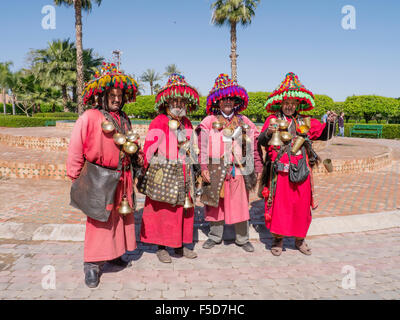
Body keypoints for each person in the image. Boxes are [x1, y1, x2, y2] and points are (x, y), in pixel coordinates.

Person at [67, 62, 142, 288]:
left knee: (119, 218)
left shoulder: (124, 119)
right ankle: (92, 264)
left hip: (122, 178)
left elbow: (130, 143)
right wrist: (76, 176)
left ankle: (115, 253)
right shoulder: (90, 117)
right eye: (112, 94)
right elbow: (75, 147)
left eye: (120, 95)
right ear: (102, 95)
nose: (117, 99)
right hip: (98, 177)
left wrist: (138, 154)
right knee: (99, 220)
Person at [258, 72, 336, 256]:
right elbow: (261, 140)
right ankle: (278, 239)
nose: (289, 107)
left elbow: (325, 133)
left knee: (301, 206)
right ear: (281, 103)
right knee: (280, 207)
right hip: (279, 173)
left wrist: (331, 122)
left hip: (301, 171)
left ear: (297, 105)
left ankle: (300, 240)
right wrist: (269, 133)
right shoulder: (272, 120)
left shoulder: (305, 122)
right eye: (286, 103)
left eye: (293, 104)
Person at [198, 74, 263, 252]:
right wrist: (203, 167)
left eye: (230, 99)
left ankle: (242, 239)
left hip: (238, 169)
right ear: (217, 102)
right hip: (214, 168)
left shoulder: (245, 122)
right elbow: (201, 146)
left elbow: (255, 146)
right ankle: (214, 236)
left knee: (241, 203)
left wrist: (257, 166)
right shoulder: (208, 121)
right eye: (223, 99)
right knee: (214, 204)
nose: (227, 102)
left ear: (235, 101)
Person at [139, 74, 200, 263]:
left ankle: (180, 245)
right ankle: (161, 247)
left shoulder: (187, 123)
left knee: (184, 210)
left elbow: (192, 146)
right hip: (163, 173)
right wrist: (145, 168)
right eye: (175, 100)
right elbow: (149, 147)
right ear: (167, 102)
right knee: (163, 210)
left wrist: (196, 165)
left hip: (184, 171)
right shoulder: (159, 121)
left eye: (182, 101)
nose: (179, 104)